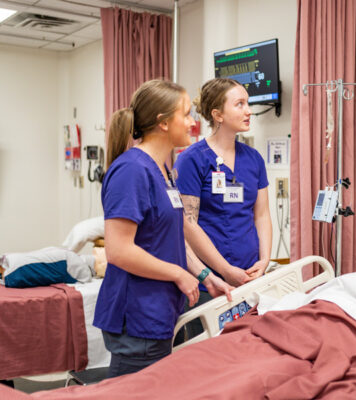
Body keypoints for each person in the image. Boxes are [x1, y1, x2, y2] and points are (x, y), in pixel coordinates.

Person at [94, 79, 233, 378]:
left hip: (158, 309)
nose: (192, 122)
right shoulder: (132, 170)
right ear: (163, 123)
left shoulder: (163, 170)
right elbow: (118, 251)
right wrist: (178, 274)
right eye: (185, 114)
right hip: (138, 314)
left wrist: (205, 276)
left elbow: (168, 239)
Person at [174, 78, 272, 309]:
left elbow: (262, 215)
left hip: (251, 275)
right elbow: (188, 224)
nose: (249, 111)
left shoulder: (253, 159)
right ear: (218, 115)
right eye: (239, 104)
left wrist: (264, 260)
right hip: (211, 281)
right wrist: (225, 270)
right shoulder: (192, 159)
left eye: (248, 103)